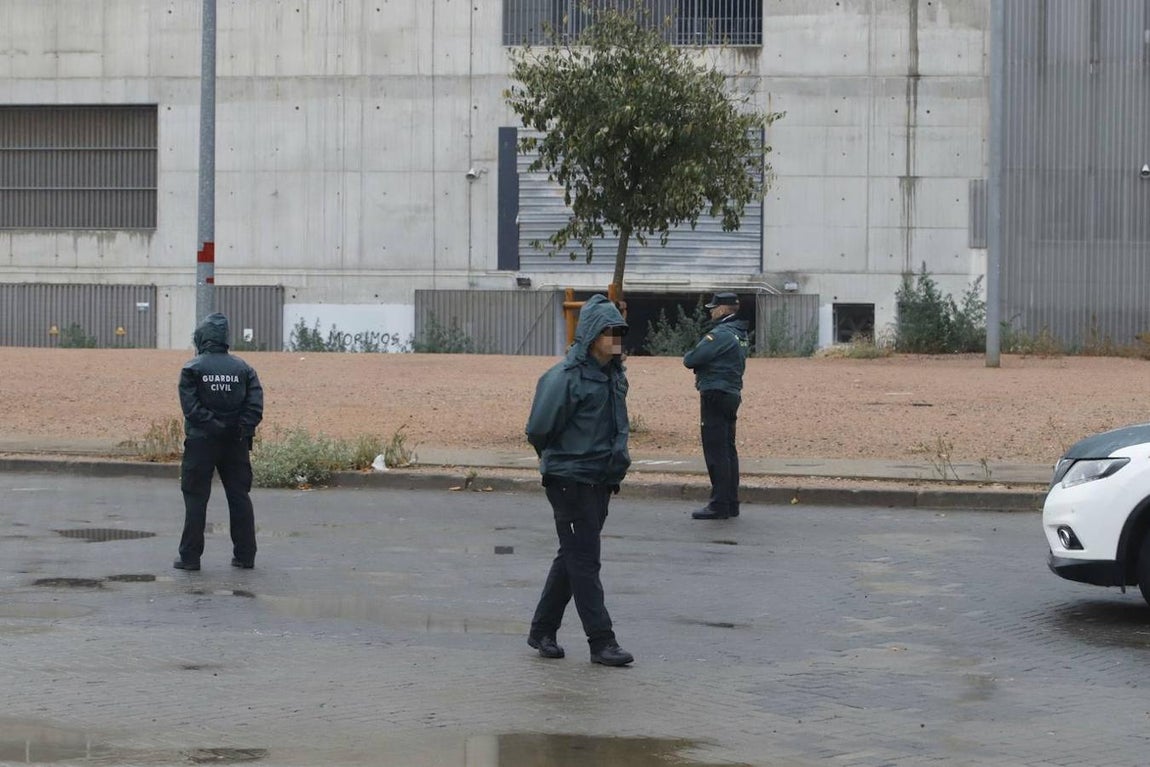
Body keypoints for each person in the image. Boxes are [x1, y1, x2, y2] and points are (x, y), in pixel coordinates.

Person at [524, 294, 634, 667]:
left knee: (573, 558)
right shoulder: (564, 378)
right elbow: (539, 429)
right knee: (585, 562)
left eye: (620, 330)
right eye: (609, 331)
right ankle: (602, 641)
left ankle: (542, 630)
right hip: (570, 481)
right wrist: (559, 464)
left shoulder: (613, 375)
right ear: (590, 334)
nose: (617, 337)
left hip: (601, 480)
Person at [174, 313, 264, 571]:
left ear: (202, 337)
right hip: (236, 442)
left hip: (201, 442)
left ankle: (190, 558)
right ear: (225, 339)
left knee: (195, 498)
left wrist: (214, 426)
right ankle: (245, 556)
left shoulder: (192, 369)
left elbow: (191, 408)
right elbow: (255, 406)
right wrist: (239, 428)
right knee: (239, 497)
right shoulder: (245, 369)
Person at [683, 292, 750, 520]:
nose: (711, 311)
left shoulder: (720, 334)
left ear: (724, 309)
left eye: (714, 307)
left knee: (715, 451)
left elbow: (691, 359)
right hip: (731, 393)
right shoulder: (739, 333)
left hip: (715, 392)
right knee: (728, 450)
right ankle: (731, 502)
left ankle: (719, 503)